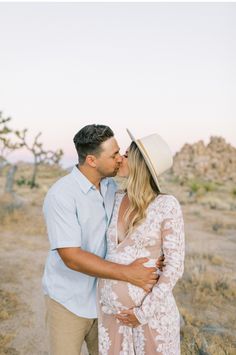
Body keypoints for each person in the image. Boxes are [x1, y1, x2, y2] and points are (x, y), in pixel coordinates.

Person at [42, 124, 161, 355]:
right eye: (114, 154)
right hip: (69, 302)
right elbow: (72, 258)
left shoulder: (111, 187)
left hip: (107, 302)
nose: (120, 159)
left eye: (120, 152)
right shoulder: (61, 195)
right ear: (91, 160)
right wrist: (128, 273)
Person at [98, 129, 185, 354]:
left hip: (150, 318)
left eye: (126, 155)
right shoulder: (115, 198)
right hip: (113, 318)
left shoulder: (166, 205)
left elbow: (174, 266)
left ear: (139, 163)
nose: (120, 159)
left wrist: (142, 313)